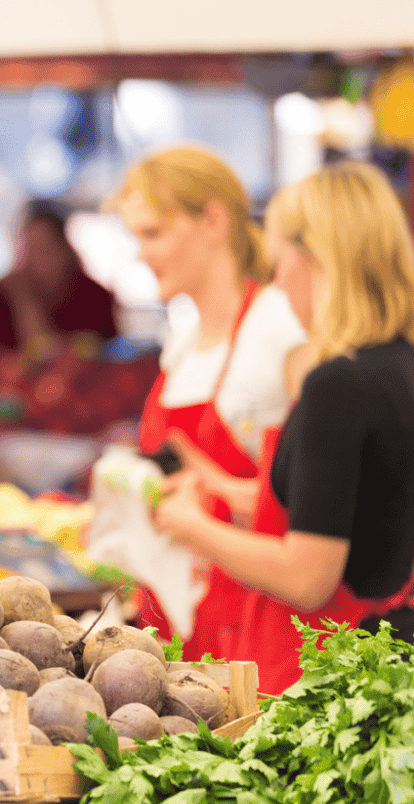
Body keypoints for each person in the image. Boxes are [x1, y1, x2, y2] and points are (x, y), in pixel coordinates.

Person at [156, 161, 414, 693]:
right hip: (387, 668)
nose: (278, 286)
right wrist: (222, 490)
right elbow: (353, 507)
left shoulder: (338, 385)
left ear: (317, 259)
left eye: (279, 265)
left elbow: (307, 577)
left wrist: (195, 528)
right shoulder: (399, 366)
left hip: (323, 678)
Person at [113, 146, 308, 661]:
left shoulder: (281, 326)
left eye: (153, 233)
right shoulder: (181, 345)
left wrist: (214, 496)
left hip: (259, 626)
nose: (140, 253)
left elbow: (320, 500)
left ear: (214, 222)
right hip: (181, 616)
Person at [0, 200, 118, 357]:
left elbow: (106, 351)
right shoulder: (6, 291)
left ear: (65, 248)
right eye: (30, 248)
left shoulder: (94, 295)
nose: (36, 257)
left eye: (45, 247)